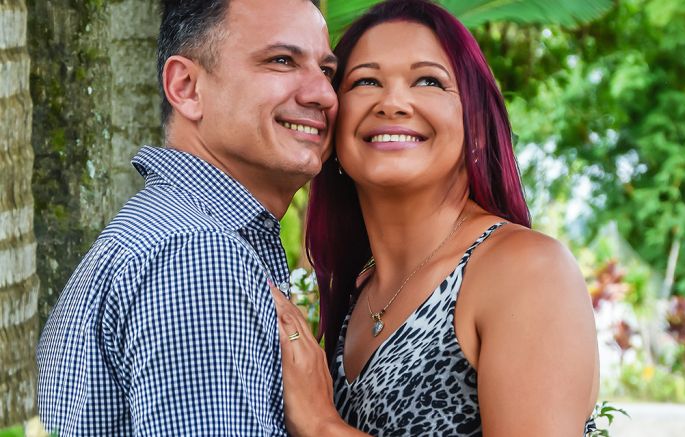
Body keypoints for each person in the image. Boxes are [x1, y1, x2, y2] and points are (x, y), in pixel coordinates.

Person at [270, 0, 600, 436]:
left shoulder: (525, 269)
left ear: (476, 125)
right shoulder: (360, 293)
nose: (392, 103)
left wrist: (321, 425)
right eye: (366, 81)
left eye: (428, 81)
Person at [36, 0, 337, 435]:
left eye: (326, 70)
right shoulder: (197, 255)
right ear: (187, 87)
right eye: (281, 61)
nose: (324, 94)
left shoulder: (174, 231)